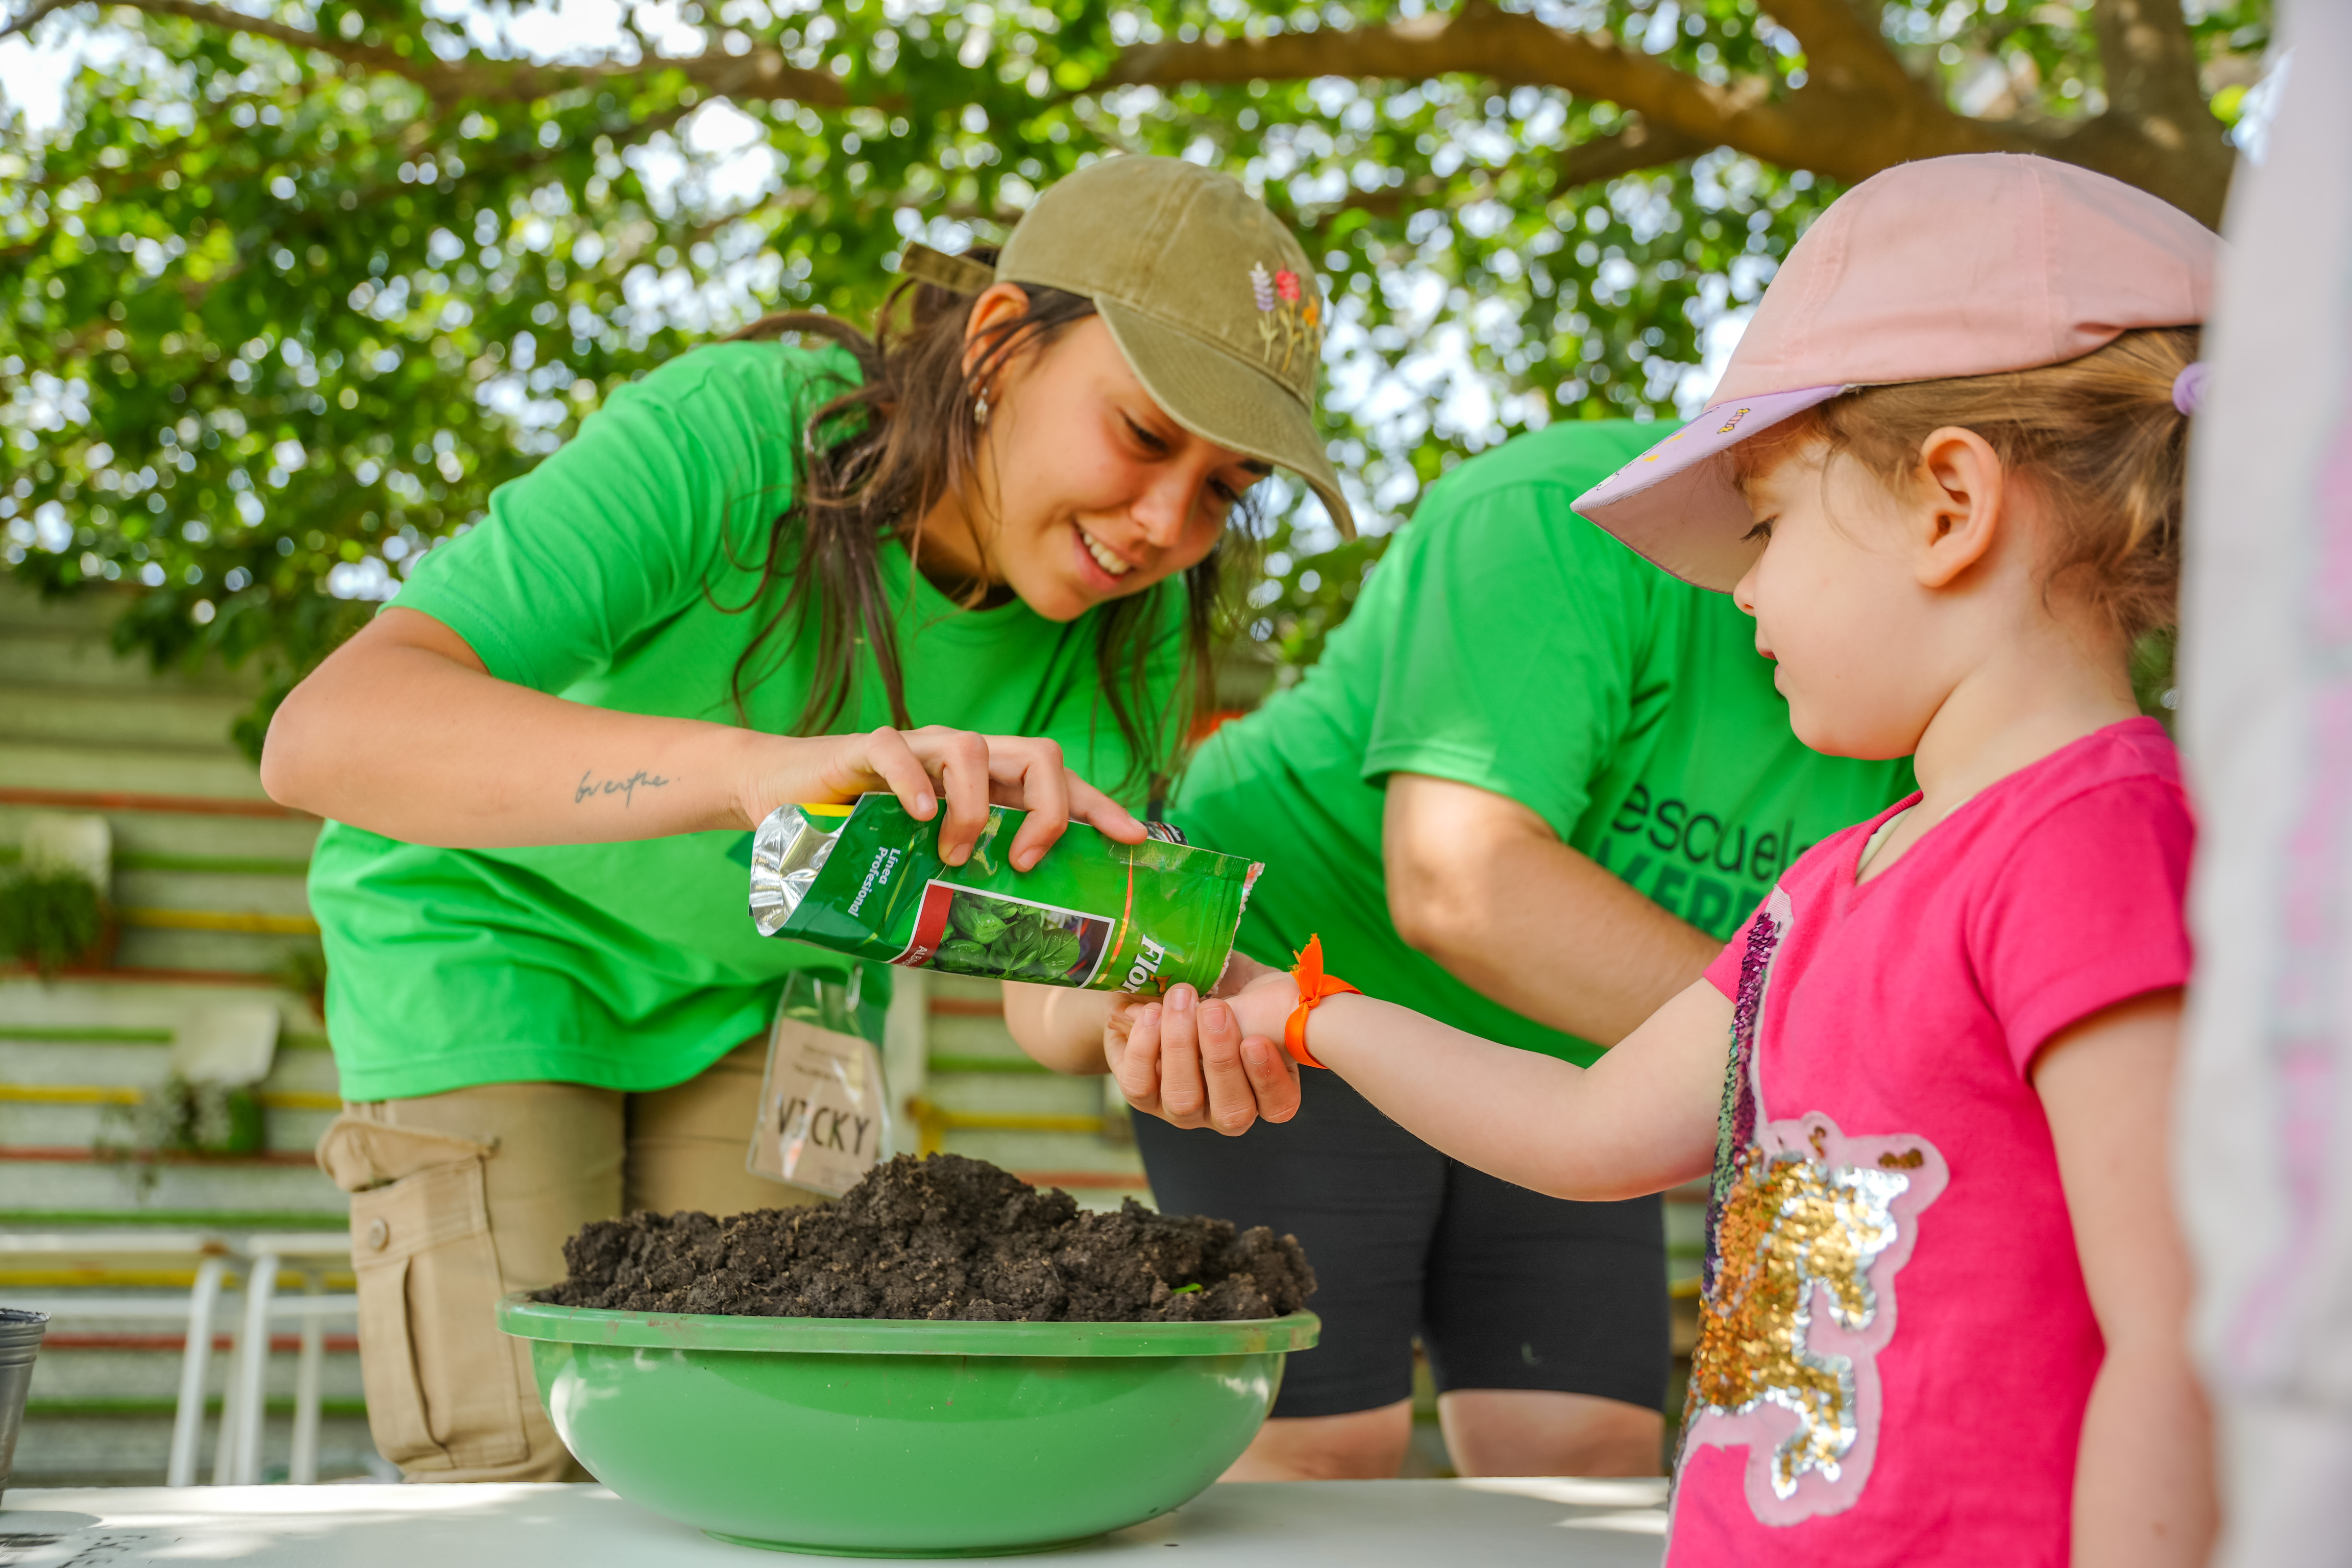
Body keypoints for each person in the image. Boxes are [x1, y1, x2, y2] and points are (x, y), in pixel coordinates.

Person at [1108, 154, 2218, 1564]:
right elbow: (1588, 1133)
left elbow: (2181, 1337)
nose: (1737, 584)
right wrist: (1308, 1013)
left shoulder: (2095, 842)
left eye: (1766, 522)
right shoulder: (1834, 884)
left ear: (1950, 504)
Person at [258, 155, 1355, 1482]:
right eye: (1141, 433)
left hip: (767, 998)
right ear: (1002, 344)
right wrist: (752, 771)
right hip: (487, 934)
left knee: (757, 1429)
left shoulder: (1116, 634)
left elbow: (1039, 989)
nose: (1166, 524)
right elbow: (328, 735)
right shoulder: (735, 436)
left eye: (1225, 488)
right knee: (530, 1453)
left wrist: (1136, 1006)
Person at [1008, 419, 1913, 1480]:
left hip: (1571, 1045)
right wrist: (1820, 1049)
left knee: (1587, 1458)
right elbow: (1465, 887)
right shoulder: (1549, 517)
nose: (1749, 594)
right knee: (1316, 1456)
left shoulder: (1922, 695)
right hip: (1296, 981)